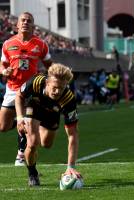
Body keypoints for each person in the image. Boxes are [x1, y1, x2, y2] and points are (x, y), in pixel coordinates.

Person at [15, 63, 81, 186]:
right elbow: (19, 96)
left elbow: (73, 134)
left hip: (52, 112)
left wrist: (70, 166)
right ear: (47, 82)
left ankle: (31, 131)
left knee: (46, 144)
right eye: (55, 87)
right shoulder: (36, 82)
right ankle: (32, 173)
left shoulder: (68, 100)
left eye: (61, 88)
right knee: (33, 143)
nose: (57, 91)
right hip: (34, 106)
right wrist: (19, 118)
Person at [0, 12, 52, 166]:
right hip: (12, 89)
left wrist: (50, 80)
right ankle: (19, 120)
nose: (25, 23)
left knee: (27, 123)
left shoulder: (41, 44)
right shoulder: (8, 44)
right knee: (2, 126)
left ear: (33, 25)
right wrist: (4, 71)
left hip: (31, 90)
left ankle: (21, 154)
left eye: (29, 21)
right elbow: (2, 64)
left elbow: (50, 65)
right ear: (17, 25)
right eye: (22, 20)